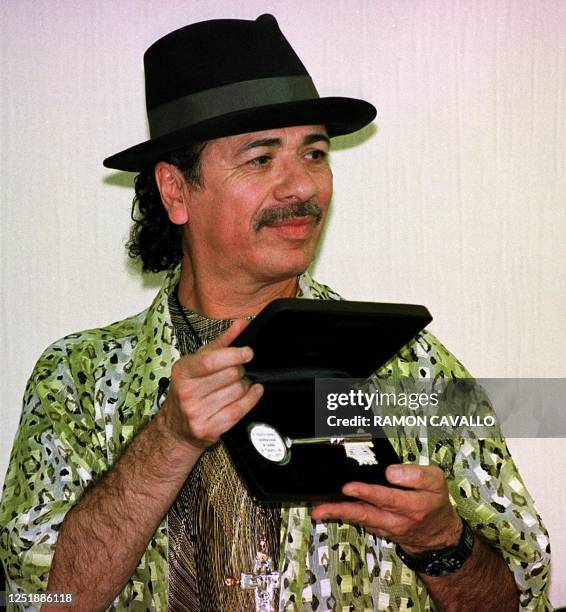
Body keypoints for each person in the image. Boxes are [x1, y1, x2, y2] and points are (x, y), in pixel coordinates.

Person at [0, 14, 551, 612]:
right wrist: (167, 440)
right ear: (176, 190)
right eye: (261, 159)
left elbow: (522, 600)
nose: (300, 187)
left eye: (314, 153)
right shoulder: (77, 380)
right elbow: (41, 603)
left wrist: (442, 542)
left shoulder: (411, 367)